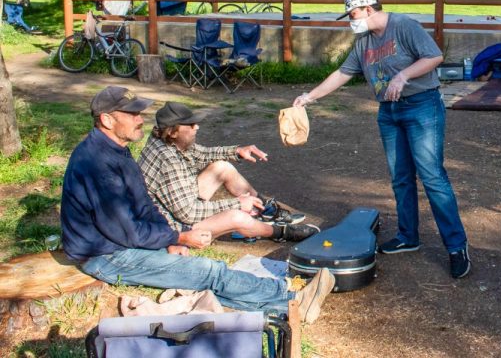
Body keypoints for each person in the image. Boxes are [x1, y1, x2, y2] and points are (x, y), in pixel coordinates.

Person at [61, 86, 335, 317]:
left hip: (121, 243)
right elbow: (128, 232)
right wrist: (179, 237)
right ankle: (291, 297)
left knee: (200, 276)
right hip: (106, 255)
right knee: (208, 270)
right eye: (132, 114)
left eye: (139, 112)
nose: (140, 119)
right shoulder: (96, 163)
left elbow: (144, 204)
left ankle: (285, 307)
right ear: (108, 120)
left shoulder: (117, 150)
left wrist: (169, 240)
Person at [293, 0, 471, 279]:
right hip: (388, 112)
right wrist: (309, 97)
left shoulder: (403, 26)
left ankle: (456, 246)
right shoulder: (364, 42)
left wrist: (403, 75)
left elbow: (434, 56)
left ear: (368, 9)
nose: (351, 21)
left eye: (353, 14)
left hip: (421, 105)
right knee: (400, 177)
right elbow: (343, 73)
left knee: (431, 176)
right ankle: (408, 236)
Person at [140, 101, 318, 243]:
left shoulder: (164, 137)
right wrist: (237, 204)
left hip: (178, 202)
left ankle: (265, 210)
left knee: (222, 167)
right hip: (174, 228)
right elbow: (189, 214)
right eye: (191, 125)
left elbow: (200, 153)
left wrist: (237, 151)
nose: (197, 127)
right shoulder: (168, 160)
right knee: (236, 217)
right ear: (172, 132)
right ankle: (280, 232)